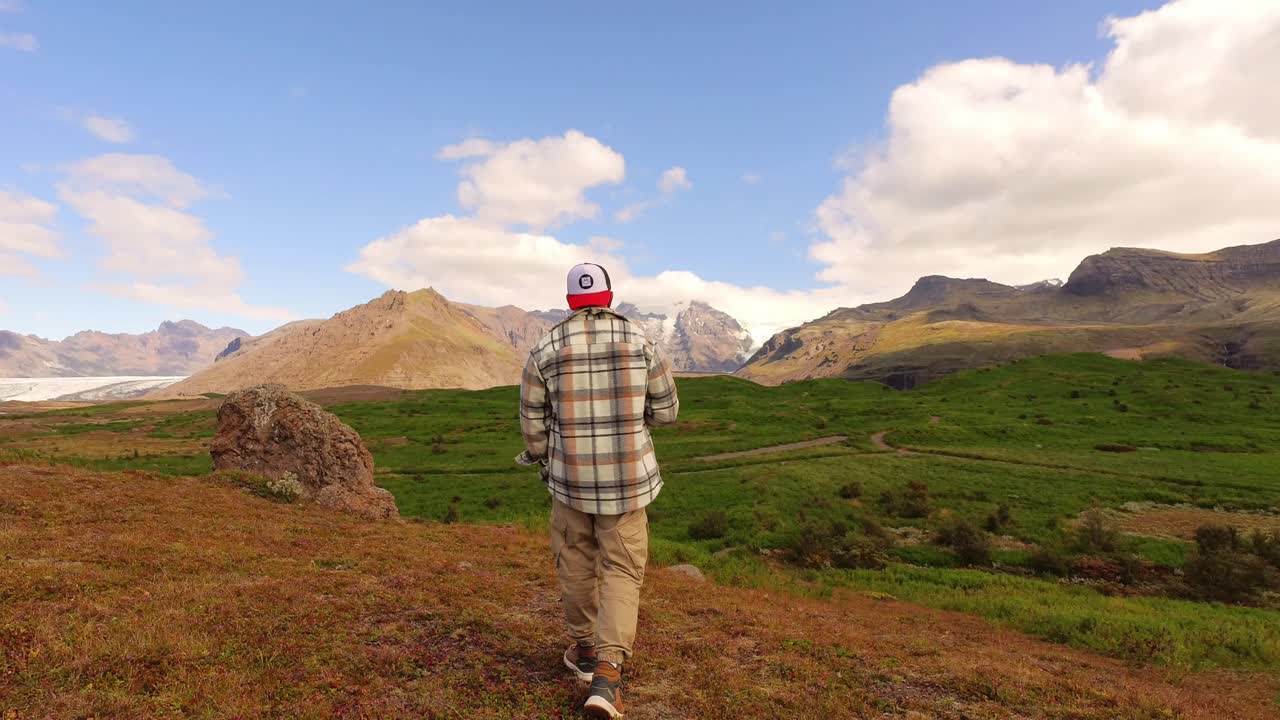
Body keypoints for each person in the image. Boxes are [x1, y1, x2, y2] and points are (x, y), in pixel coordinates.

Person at [517, 262, 679, 719]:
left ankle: (585, 652)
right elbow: (667, 412)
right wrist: (630, 423)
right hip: (628, 483)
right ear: (608, 297)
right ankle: (607, 680)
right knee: (623, 571)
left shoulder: (544, 347)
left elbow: (532, 427)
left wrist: (545, 454)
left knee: (574, 563)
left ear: (570, 301)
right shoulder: (642, 341)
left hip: (568, 483)